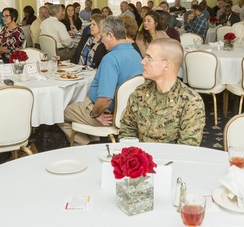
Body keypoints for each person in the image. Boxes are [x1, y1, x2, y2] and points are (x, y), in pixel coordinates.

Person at [59, 16, 142, 145]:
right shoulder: (135, 53)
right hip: (127, 112)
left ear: (110, 35)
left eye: (102, 37)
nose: (102, 42)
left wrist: (94, 114)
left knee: (60, 114)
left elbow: (105, 100)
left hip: (109, 114)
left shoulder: (111, 59)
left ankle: (87, 147)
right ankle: (96, 141)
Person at [119, 38, 204, 145]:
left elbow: (187, 148)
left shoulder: (191, 101)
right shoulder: (140, 92)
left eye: (149, 58)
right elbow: (127, 129)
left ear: (167, 66)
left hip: (171, 160)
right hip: (140, 158)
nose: (143, 61)